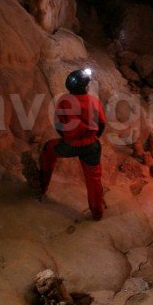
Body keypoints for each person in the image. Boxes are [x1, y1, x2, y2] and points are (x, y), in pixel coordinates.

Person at [40, 68, 107, 220]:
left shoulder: (64, 101)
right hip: (92, 146)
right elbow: (102, 124)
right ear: (85, 86)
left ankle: (41, 188)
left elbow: (59, 125)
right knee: (94, 180)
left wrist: (68, 139)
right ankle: (97, 213)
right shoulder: (94, 101)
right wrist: (93, 137)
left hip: (70, 145)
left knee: (48, 149)